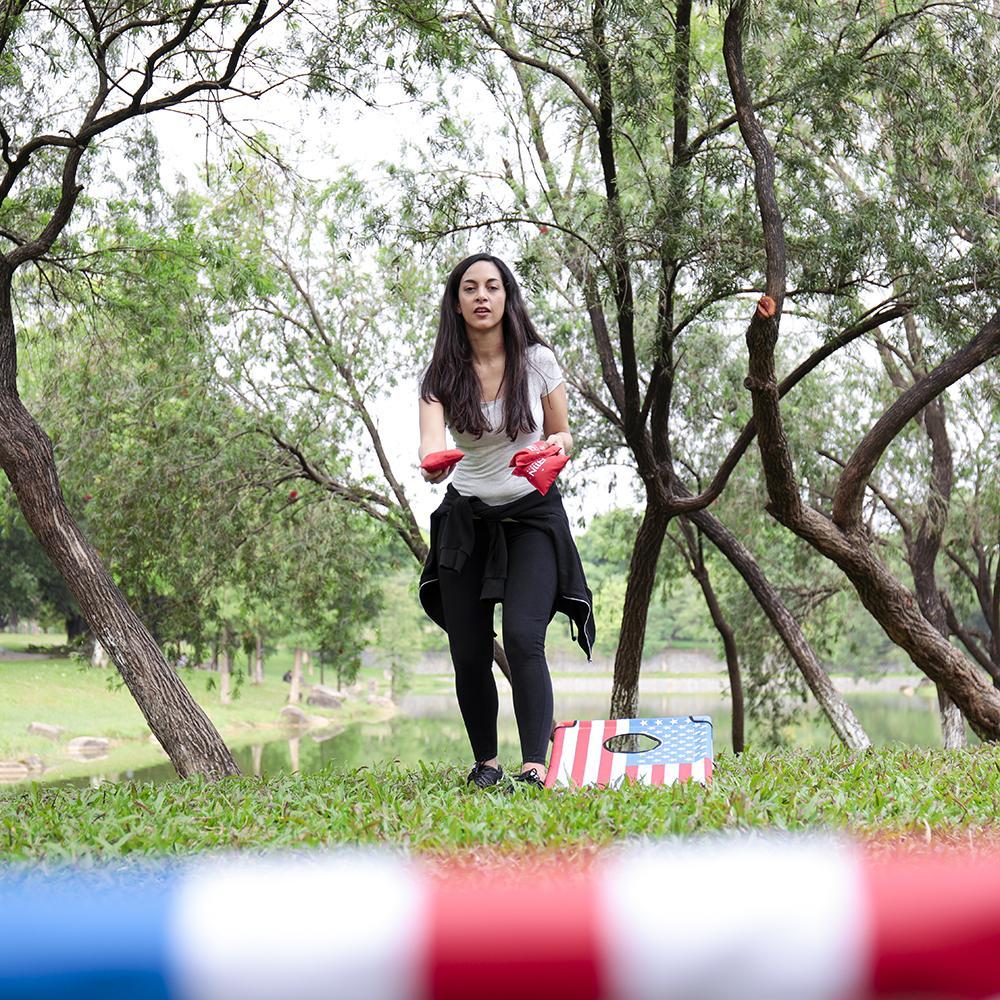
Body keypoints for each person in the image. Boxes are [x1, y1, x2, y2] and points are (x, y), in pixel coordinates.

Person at [417, 253, 595, 791]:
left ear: (506, 297)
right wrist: (434, 465)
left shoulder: (538, 360)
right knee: (468, 650)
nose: (481, 297)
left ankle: (535, 766)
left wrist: (549, 452)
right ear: (457, 302)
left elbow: (564, 435)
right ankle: (487, 765)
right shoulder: (440, 375)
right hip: (466, 520)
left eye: (492, 287)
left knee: (522, 637)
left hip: (530, 516)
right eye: (469, 288)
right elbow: (430, 450)